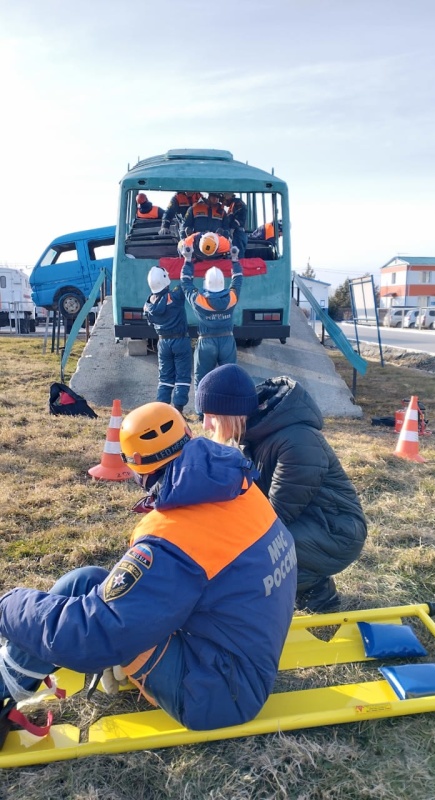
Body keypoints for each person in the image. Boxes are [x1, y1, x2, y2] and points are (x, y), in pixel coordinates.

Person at [0, 403, 296, 733]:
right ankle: (8, 678)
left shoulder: (171, 535)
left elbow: (96, 636)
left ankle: (5, 683)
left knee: (90, 605)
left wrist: (7, 607)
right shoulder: (236, 484)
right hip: (240, 655)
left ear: (136, 467)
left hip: (219, 694)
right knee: (86, 582)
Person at [195, 364, 368, 613]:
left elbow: (276, 516)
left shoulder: (297, 441)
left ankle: (318, 597)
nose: (207, 426)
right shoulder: (253, 435)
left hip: (336, 530)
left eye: (211, 416)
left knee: (255, 554)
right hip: (309, 521)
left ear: (231, 411)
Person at [180, 243, 243, 415]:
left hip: (206, 342)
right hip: (227, 340)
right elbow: (238, 280)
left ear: (206, 284)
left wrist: (187, 260)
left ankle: (202, 414)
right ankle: (229, 412)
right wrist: (235, 260)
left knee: (202, 379)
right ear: (223, 284)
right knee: (230, 377)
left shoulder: (199, 300)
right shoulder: (231, 297)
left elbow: (185, 283)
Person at [143, 266, 191, 414]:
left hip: (162, 342)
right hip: (180, 341)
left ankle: (161, 410)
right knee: (182, 377)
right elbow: (186, 282)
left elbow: (150, 323)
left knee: (165, 378)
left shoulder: (148, 304)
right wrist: (187, 261)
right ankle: (178, 409)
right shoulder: (174, 297)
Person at [222, 192, 248, 258]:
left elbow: (239, 219)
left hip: (237, 233)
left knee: (238, 256)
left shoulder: (238, 204)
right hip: (234, 233)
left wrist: (232, 229)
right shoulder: (232, 205)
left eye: (224, 197)